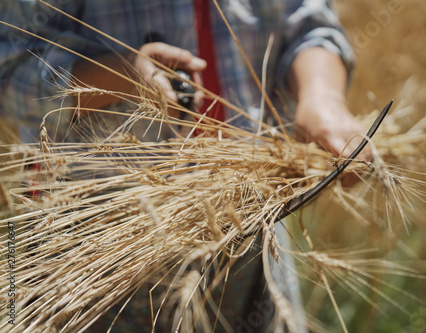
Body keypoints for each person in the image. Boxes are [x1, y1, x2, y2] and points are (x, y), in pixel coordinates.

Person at [0, 0, 369, 331]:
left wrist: (322, 97)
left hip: (254, 229)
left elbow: (309, 27)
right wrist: (122, 74)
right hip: (95, 251)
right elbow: (11, 71)